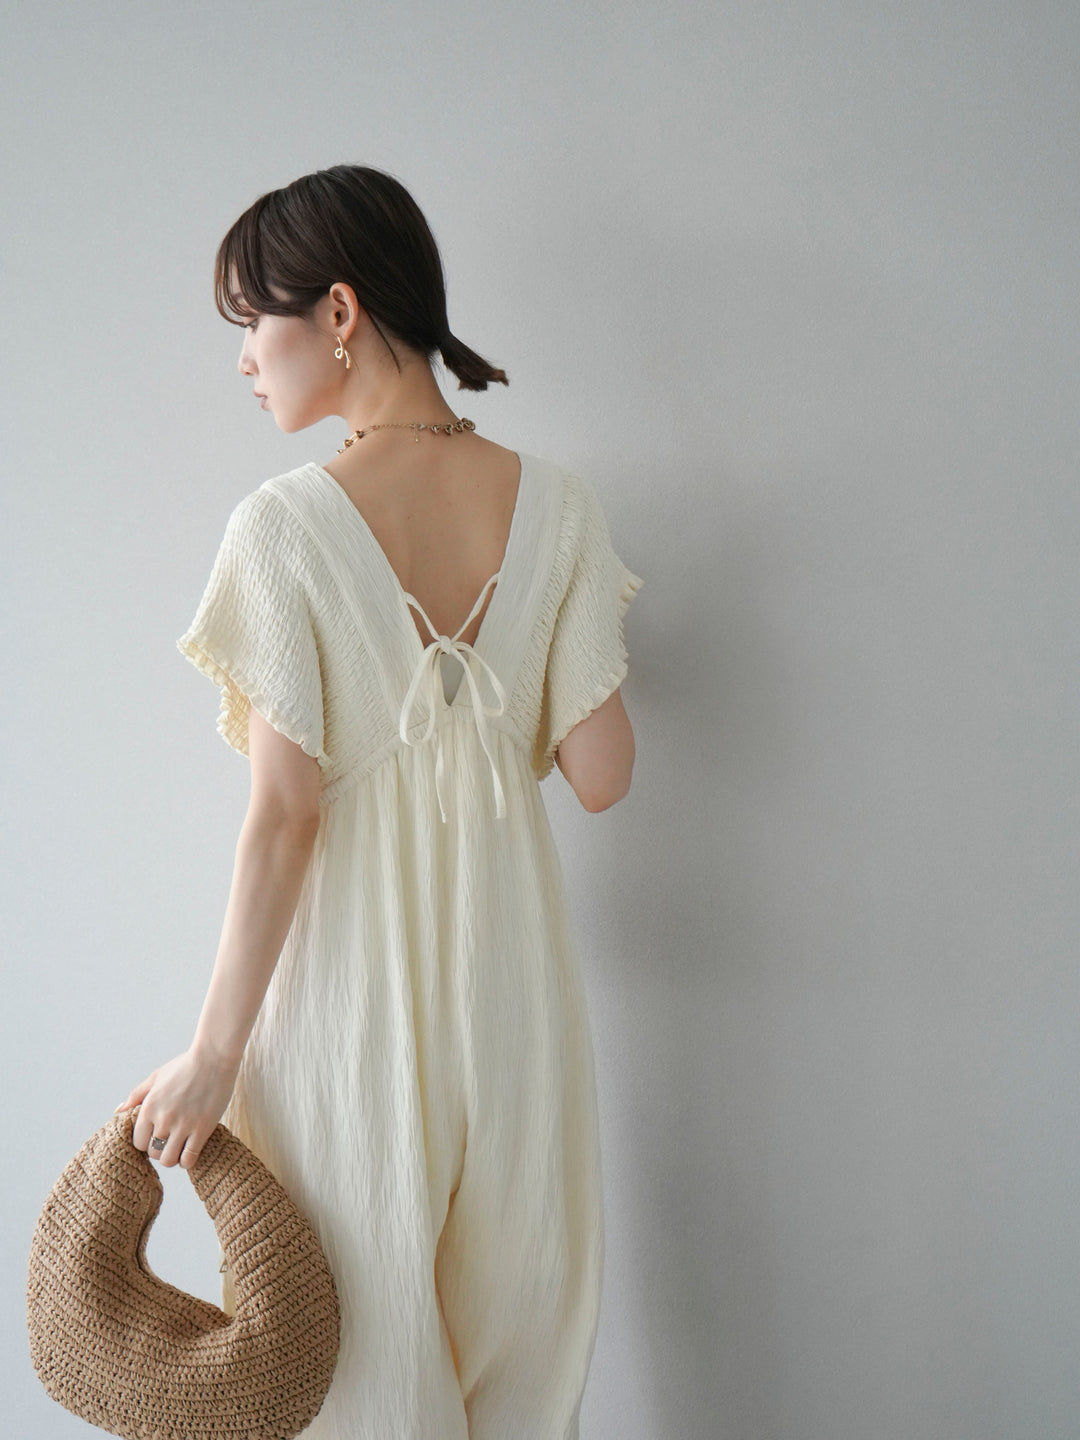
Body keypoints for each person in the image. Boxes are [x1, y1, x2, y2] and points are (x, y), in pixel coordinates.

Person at [113, 163, 644, 1440]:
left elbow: (285, 817)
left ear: (339, 312)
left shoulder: (283, 530)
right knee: (521, 1368)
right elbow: (604, 774)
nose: (246, 358)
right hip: (515, 1002)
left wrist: (212, 1058)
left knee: (354, 1368)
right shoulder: (561, 508)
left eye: (254, 320)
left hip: (351, 1012)